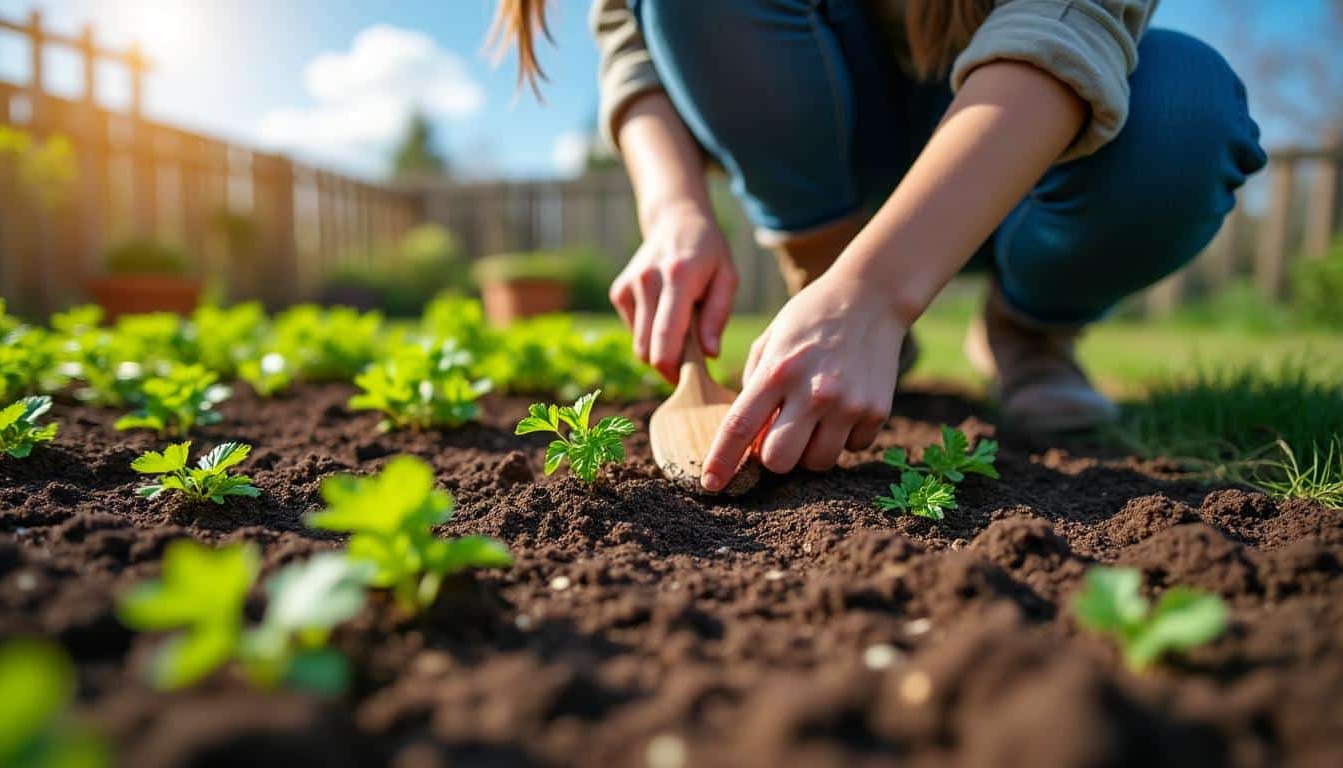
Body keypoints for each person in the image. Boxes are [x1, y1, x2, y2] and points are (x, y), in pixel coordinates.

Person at [491, 0, 1266, 492]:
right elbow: (634, 31)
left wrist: (878, 292)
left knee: (1188, 112)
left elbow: (1068, 20)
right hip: (837, 132)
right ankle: (829, 282)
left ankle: (1030, 331)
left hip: (1033, 138)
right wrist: (674, 209)